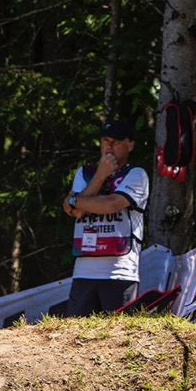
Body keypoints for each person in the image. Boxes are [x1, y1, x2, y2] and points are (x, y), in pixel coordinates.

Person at [61, 120, 149, 316]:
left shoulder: (136, 174)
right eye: (105, 141)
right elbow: (76, 212)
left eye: (116, 142)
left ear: (130, 145)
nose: (108, 147)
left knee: (117, 340)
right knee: (75, 338)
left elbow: (111, 204)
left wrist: (76, 200)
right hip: (83, 272)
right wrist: (100, 176)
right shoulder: (85, 173)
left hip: (120, 273)